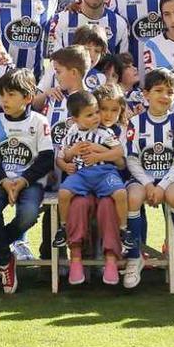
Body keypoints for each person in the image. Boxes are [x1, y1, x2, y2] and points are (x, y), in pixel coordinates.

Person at [0, 68, 54, 293]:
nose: (5, 100)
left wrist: (23, 181)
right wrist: (4, 182)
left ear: (28, 97)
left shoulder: (40, 122)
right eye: (2, 94)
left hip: (31, 182)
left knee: (29, 214)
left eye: (11, 94)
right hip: (2, 182)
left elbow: (46, 159)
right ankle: (6, 258)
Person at [123, 69, 174, 288]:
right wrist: (147, 183)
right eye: (159, 90)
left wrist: (162, 185)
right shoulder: (135, 124)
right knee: (133, 198)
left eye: (170, 92)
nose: (165, 96)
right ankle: (135, 256)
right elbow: (132, 159)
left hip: (167, 178)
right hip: (141, 178)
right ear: (145, 94)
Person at [53, 91, 129, 286]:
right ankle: (70, 245)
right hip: (81, 177)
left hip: (104, 174)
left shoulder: (107, 132)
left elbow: (121, 157)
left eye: (97, 112)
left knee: (116, 197)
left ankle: (121, 235)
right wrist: (68, 160)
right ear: (75, 118)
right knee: (66, 195)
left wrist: (99, 154)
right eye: (93, 113)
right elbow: (61, 157)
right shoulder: (72, 132)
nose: (98, 117)